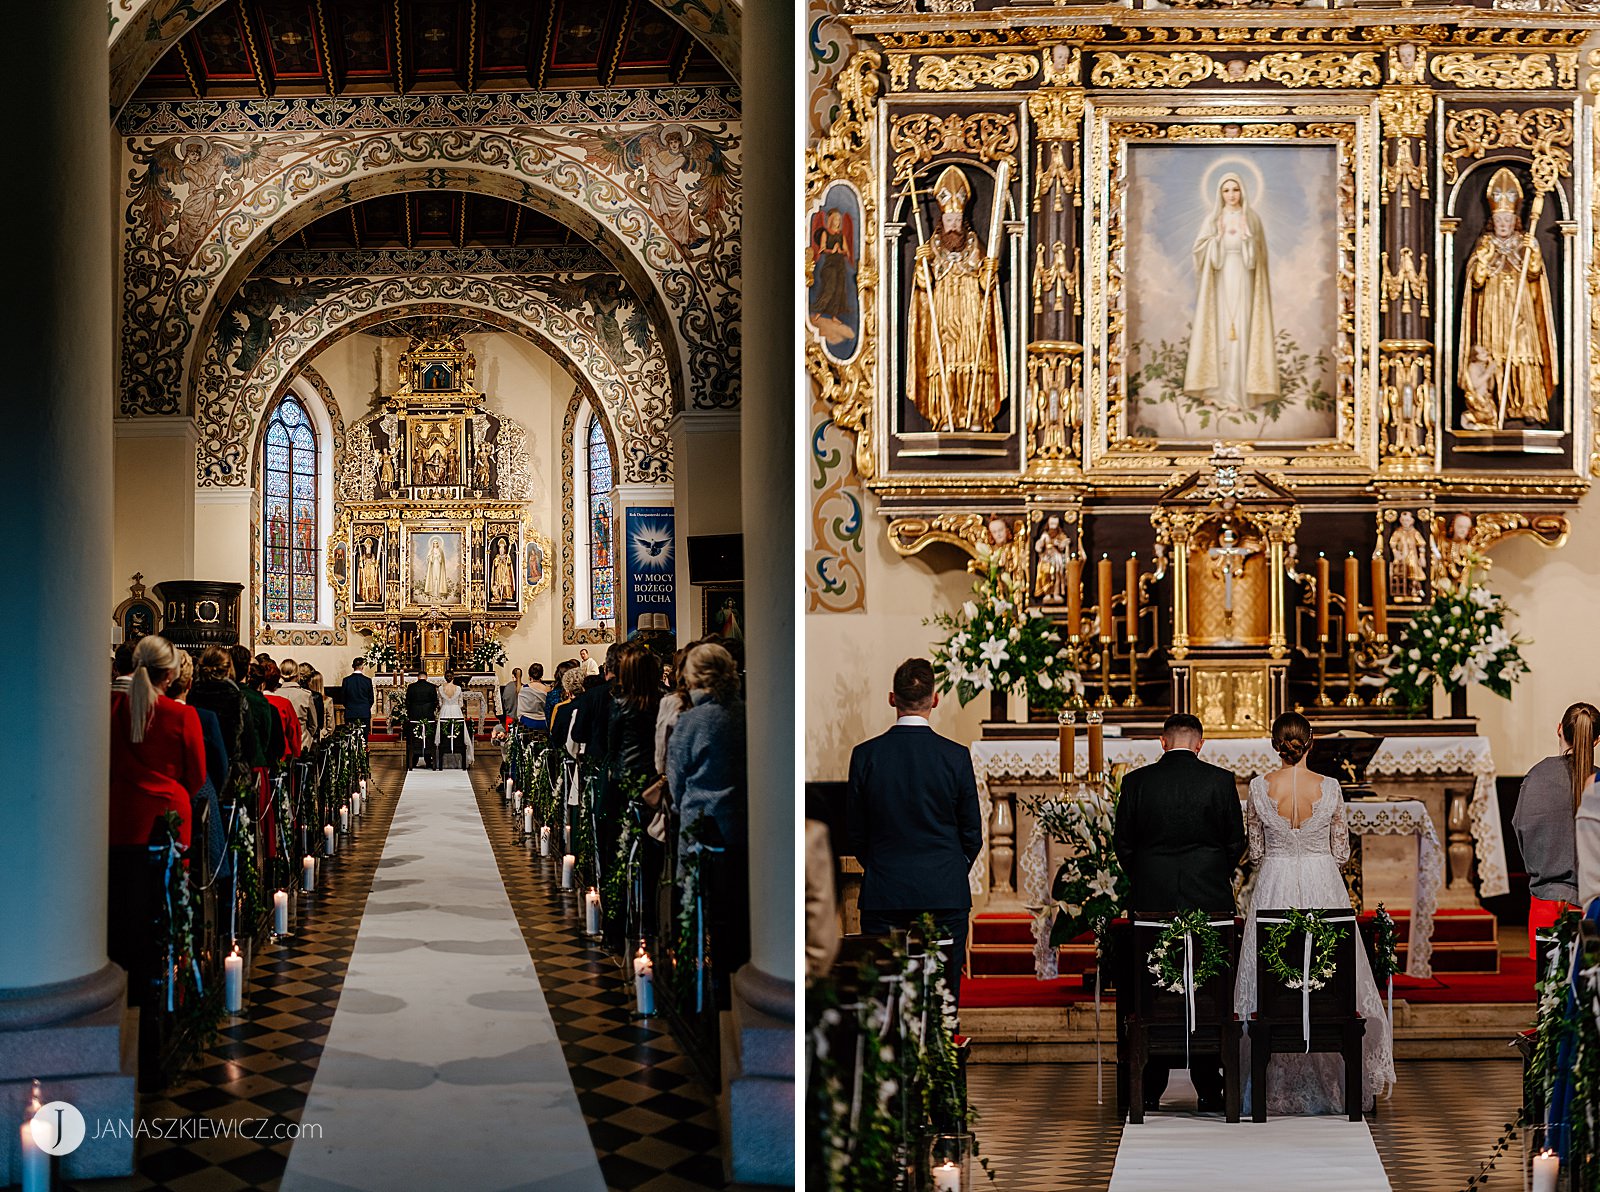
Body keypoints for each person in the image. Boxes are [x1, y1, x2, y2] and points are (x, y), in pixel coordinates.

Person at [1235, 711, 1394, 1114]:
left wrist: (1284, 851)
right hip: (1323, 883)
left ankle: (1270, 1077)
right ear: (1312, 742)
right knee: (1330, 977)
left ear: (1275, 745)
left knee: (1274, 976)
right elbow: (1341, 853)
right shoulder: (1331, 787)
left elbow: (1255, 853)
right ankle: (1338, 1076)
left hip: (1274, 883)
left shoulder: (1257, 788)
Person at [1113, 712, 1246, 1113]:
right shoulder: (1220, 781)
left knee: (1153, 987)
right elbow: (1234, 842)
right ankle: (1209, 1084)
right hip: (1209, 899)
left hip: (1152, 900)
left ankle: (1150, 1085)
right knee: (1210, 990)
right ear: (1200, 743)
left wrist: (1147, 876)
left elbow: (1123, 843)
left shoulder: (1136, 782)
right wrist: (1211, 875)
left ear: (1163, 741)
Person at [846, 657, 980, 1007]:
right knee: (943, 998)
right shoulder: (956, 756)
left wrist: (880, 864)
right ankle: (943, 1061)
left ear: (893, 698)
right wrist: (948, 869)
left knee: (883, 1001)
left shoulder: (866, 755)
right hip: (944, 893)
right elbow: (972, 833)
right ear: (935, 700)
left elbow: (856, 832)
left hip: (885, 892)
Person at [668, 642, 750, 981]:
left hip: (700, 826)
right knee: (735, 907)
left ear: (693, 677)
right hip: (742, 826)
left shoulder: (691, 720)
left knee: (698, 902)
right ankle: (733, 972)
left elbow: (676, 778)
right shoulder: (746, 712)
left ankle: (697, 977)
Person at [1183, 173, 1279, 412]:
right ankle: (1216, 391)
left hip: (1245, 280)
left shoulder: (1252, 219)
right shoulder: (1213, 219)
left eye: (1235, 189)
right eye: (1226, 190)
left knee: (1243, 330)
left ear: (1242, 191)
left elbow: (1256, 259)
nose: (1231, 195)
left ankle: (1240, 394)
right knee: (1221, 332)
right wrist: (1215, 240)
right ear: (1220, 194)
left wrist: (1248, 240)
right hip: (1220, 280)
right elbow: (1201, 253)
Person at [1515, 703, 1598, 954]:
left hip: (1546, 901)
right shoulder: (1598, 783)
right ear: (1596, 741)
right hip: (1593, 906)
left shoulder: (1537, 777)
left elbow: (1522, 831)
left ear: (1559, 729)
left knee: (1548, 989)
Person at [110, 636, 206, 852]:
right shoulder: (181, 715)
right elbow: (197, 775)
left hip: (119, 812)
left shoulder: (112, 705)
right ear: (170, 674)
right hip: (168, 813)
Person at [167, 651, 228, 876]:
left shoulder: (147, 712)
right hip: (198, 794)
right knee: (207, 865)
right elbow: (218, 765)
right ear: (190, 683)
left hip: (160, 798)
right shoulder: (200, 716)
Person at [436, 674, 474, 767]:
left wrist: (446, 705)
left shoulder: (440, 689)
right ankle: (461, 759)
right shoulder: (458, 688)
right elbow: (461, 703)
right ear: (453, 677)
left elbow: (440, 703)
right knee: (459, 733)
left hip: (444, 710)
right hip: (456, 711)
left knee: (443, 734)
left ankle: (442, 759)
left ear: (444, 677)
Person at [277, 659, 317, 745]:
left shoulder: (274, 693)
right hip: (302, 739)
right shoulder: (305, 695)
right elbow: (313, 724)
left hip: (280, 740)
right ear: (297, 674)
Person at [405, 671, 439, 769]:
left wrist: (411, 710)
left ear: (418, 677)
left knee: (415, 737)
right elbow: (435, 701)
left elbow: (407, 701)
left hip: (414, 716)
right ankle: (429, 761)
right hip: (428, 716)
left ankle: (414, 760)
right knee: (428, 737)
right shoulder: (431, 687)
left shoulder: (411, 687)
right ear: (426, 677)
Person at [342, 657, 375, 742]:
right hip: (364, 712)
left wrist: (349, 706)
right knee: (364, 738)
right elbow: (371, 699)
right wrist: (365, 707)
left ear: (353, 666)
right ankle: (364, 754)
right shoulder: (367, 681)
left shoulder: (346, 680)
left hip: (350, 712)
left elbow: (343, 698)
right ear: (362, 667)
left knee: (350, 738)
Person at [516, 663, 549, 733]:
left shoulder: (523, 689)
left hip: (526, 722)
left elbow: (518, 690)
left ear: (529, 675)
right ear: (541, 674)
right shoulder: (547, 689)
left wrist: (518, 677)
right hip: (543, 722)